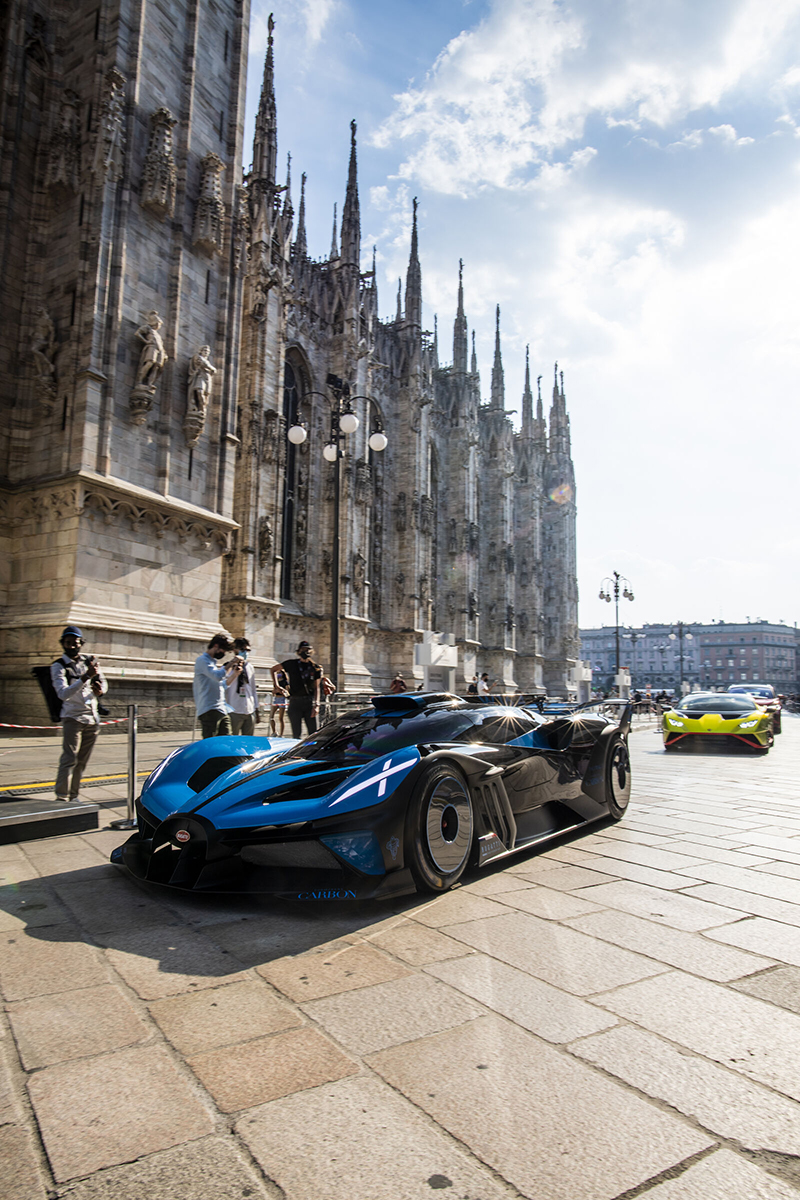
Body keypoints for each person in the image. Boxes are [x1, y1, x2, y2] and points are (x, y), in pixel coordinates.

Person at [50, 626, 108, 802]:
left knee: (82, 761)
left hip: (92, 717)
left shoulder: (89, 661)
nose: (72, 646)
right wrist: (85, 678)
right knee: (69, 758)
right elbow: (63, 694)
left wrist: (100, 691)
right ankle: (61, 795)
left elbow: (103, 681)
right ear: (63, 644)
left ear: (81, 643)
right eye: (68, 643)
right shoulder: (59, 666)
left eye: (75, 643)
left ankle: (74, 795)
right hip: (72, 716)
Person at [193, 633, 241, 738]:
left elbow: (222, 685)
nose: (223, 653)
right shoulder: (203, 660)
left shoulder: (212, 663)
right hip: (209, 709)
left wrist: (235, 674)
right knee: (211, 744)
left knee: (227, 741)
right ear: (216, 646)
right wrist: (232, 662)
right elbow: (218, 676)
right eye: (223, 650)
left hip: (221, 709)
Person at [271, 641, 322, 738]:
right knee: (296, 733)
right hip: (295, 702)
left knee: (313, 733)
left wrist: (317, 704)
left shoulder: (315, 668)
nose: (305, 652)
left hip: (309, 702)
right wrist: (276, 686)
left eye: (307, 650)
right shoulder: (291, 664)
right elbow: (273, 669)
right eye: (303, 650)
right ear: (298, 651)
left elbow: (317, 688)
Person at [225, 637, 259, 736]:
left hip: (249, 709)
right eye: (243, 650)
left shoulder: (250, 667)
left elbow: (253, 689)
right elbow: (224, 685)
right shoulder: (228, 667)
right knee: (232, 739)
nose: (246, 653)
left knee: (248, 740)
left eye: (248, 650)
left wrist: (256, 709)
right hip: (234, 709)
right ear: (235, 650)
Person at [269, 667, 288, 736]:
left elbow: (287, 692)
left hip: (282, 699)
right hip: (276, 699)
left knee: (281, 718)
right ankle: (274, 731)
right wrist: (274, 691)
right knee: (271, 716)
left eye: (280, 673)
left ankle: (281, 734)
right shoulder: (276, 682)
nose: (278, 675)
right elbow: (273, 692)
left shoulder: (285, 682)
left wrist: (282, 691)